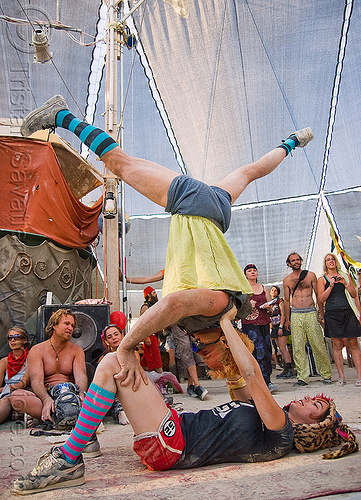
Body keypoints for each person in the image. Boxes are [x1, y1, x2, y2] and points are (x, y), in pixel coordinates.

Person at [21, 95, 315, 388]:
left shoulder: (229, 312)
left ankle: (291, 142)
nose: (199, 348)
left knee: (248, 173)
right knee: (120, 163)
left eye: (199, 351)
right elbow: (173, 304)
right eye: (207, 351)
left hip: (217, 211)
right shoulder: (219, 307)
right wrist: (126, 346)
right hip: (195, 207)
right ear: (226, 345)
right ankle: (62, 116)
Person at [12, 304, 359, 494]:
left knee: (113, 361)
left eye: (316, 405)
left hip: (171, 444)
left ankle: (70, 456)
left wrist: (225, 321)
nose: (309, 399)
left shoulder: (280, 430)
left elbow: (253, 376)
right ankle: (82, 441)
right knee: (116, 364)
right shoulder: (266, 423)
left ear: (311, 428)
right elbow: (239, 380)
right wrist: (220, 343)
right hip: (171, 433)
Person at [11, 309, 88, 427]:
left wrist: (82, 394)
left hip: (70, 397)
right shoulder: (37, 350)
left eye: (72, 325)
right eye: (66, 324)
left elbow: (81, 376)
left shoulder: (77, 350)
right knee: (16, 398)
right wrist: (46, 400)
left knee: (98, 398)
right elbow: (36, 382)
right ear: (54, 325)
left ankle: (49, 418)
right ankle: (61, 416)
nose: (71, 328)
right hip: (47, 396)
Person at [283, 253, 332, 387]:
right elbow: (287, 301)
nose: (296, 262)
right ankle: (302, 377)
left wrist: (321, 313)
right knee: (298, 346)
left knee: (318, 344)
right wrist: (287, 319)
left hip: (310, 312)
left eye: (298, 259)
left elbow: (318, 296)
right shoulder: (287, 280)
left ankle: (326, 374)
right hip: (296, 314)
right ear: (289, 263)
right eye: (293, 260)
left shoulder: (310, 275)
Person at [317, 253, 361, 387]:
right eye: (328, 260)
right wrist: (330, 286)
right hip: (332, 313)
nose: (330, 261)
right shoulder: (322, 279)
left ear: (336, 262)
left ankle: (359, 375)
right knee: (336, 345)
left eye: (332, 259)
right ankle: (341, 376)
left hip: (347, 311)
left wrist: (345, 283)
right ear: (325, 264)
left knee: (353, 343)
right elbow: (321, 299)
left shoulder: (345, 275)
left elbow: (354, 294)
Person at [241, 264, 276, 393]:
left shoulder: (263, 288)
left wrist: (269, 307)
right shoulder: (243, 289)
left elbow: (270, 305)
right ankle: (258, 382)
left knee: (267, 349)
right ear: (245, 274)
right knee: (257, 350)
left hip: (264, 322)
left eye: (254, 270)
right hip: (250, 323)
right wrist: (248, 305)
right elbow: (239, 309)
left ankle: (267, 380)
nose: (252, 272)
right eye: (249, 271)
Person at [98, 324, 130, 425]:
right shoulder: (104, 359)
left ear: (122, 335)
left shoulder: (132, 354)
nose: (114, 338)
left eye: (116, 334)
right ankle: (119, 412)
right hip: (114, 392)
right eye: (109, 337)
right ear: (106, 342)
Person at [0, 327, 30, 424]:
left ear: (24, 340)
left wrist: (8, 388)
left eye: (16, 337)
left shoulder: (31, 358)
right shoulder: (4, 361)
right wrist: (7, 389)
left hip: (23, 392)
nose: (12, 340)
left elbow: (23, 384)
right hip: (6, 393)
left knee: (8, 398)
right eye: (10, 338)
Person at [268, 285, 294, 379]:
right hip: (274, 326)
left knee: (283, 348)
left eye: (275, 291)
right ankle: (285, 369)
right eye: (272, 290)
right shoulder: (269, 303)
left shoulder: (280, 301)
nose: (274, 292)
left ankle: (289, 369)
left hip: (280, 325)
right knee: (279, 348)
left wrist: (281, 326)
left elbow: (283, 314)